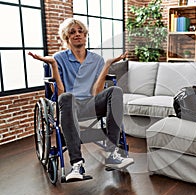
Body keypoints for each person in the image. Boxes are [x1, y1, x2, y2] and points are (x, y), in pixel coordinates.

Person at [29, 18, 134, 182]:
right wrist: (54, 66)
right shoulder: (59, 58)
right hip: (70, 106)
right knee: (67, 96)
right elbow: (60, 94)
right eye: (72, 32)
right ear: (66, 37)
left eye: (80, 31)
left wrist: (107, 65)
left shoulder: (97, 60)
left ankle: (112, 154)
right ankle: (77, 165)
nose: (77, 34)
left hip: (91, 104)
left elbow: (96, 92)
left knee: (115, 91)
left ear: (85, 35)